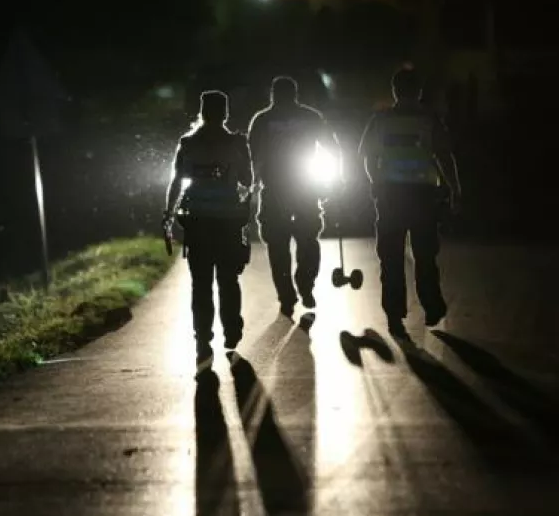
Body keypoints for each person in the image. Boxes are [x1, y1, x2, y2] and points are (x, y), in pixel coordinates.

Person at [357, 66, 462, 334]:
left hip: (390, 196)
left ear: (394, 91)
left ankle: (394, 314)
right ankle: (432, 307)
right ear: (419, 91)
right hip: (423, 196)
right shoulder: (430, 119)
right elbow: (444, 156)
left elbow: (367, 157)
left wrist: (376, 182)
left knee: (390, 257)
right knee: (425, 255)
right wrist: (454, 189)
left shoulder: (380, 120)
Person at [164, 90, 254, 365]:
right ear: (225, 113)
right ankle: (232, 331)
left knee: (201, 284)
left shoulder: (188, 144)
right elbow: (248, 180)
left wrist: (168, 214)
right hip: (227, 222)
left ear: (202, 112)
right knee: (228, 280)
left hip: (198, 224)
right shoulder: (237, 143)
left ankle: (203, 338)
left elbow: (177, 182)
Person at [247, 76, 340, 316]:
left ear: (273, 95)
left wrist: (251, 185)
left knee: (278, 247)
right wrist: (336, 179)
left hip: (275, 190)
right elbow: (332, 147)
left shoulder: (262, 119)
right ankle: (305, 284)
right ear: (295, 94)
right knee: (308, 241)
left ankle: (287, 295)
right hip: (305, 189)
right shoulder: (311, 117)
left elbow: (252, 157)